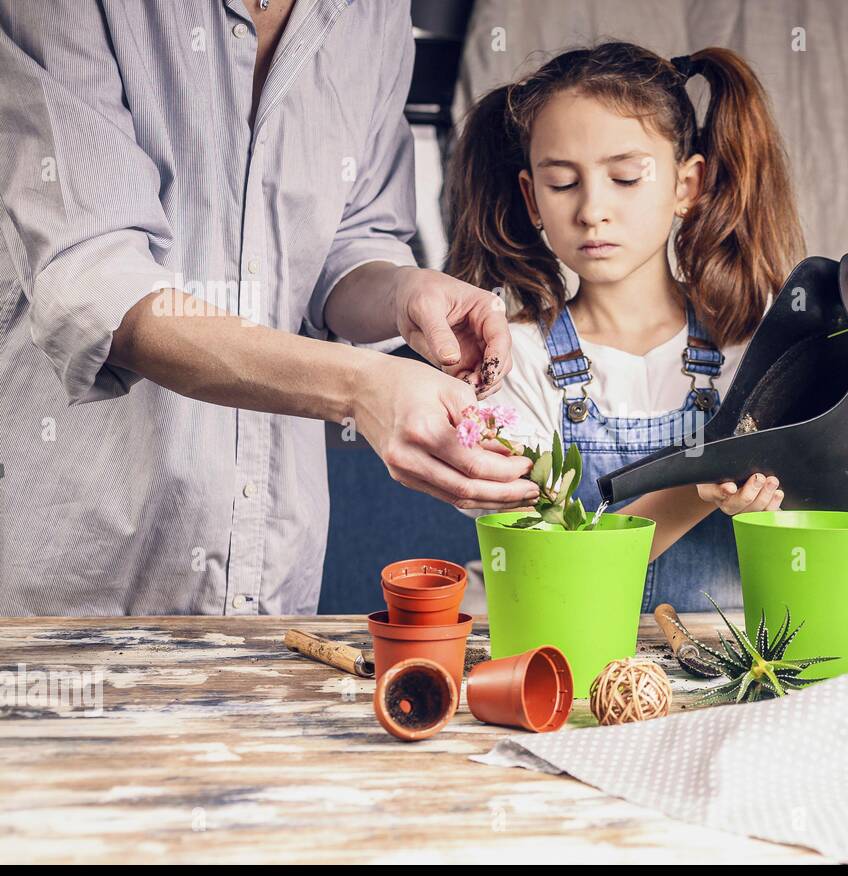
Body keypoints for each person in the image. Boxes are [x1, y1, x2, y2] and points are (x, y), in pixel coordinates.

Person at [0, 1, 543, 616]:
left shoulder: (374, 12)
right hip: (79, 574)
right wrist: (359, 387)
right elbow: (100, 285)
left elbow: (347, 242)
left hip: (275, 571)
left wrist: (402, 294)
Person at [445, 42, 848, 613]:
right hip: (576, 668)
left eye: (625, 177)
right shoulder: (511, 358)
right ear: (532, 198)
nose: (592, 209)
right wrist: (696, 486)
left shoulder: (759, 334)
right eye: (563, 183)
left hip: (739, 671)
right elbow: (544, 571)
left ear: (686, 187)